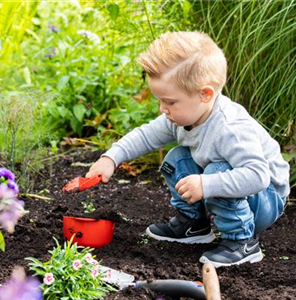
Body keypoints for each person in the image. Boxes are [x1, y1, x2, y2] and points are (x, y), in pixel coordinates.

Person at [86, 31, 290, 268]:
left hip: (265, 200)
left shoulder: (230, 128)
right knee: (177, 159)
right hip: (238, 188)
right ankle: (194, 225)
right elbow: (146, 135)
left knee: (215, 171)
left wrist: (206, 184)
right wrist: (111, 158)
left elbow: (258, 176)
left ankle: (242, 242)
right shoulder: (183, 116)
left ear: (205, 94)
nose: (163, 108)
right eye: (160, 100)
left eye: (170, 102)